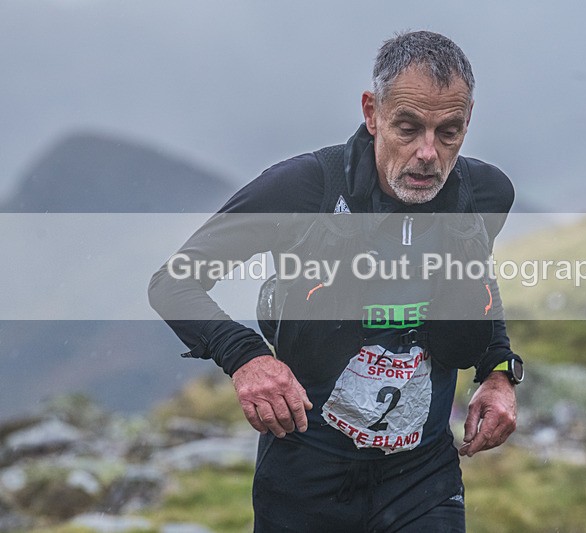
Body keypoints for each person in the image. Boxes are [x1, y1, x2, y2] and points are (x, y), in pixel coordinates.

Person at [149, 30, 524, 532]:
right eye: (407, 128)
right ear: (372, 112)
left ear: (468, 121)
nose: (428, 153)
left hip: (422, 477)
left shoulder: (485, 195)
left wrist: (497, 370)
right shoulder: (304, 190)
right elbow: (174, 281)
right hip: (307, 477)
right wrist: (246, 359)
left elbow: (477, 282)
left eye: (448, 132)